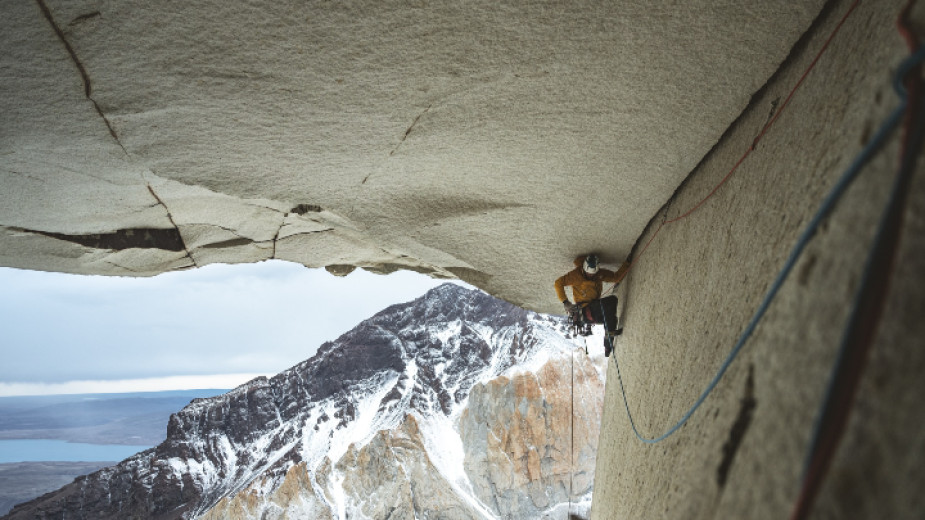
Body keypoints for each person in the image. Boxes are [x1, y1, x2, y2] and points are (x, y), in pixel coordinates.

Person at [554, 254, 629, 356]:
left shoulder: (599, 274)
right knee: (610, 302)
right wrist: (565, 302)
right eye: (588, 274)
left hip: (593, 309)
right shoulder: (576, 275)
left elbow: (616, 277)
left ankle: (608, 347)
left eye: (593, 274)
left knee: (611, 314)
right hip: (584, 309)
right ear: (584, 268)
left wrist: (628, 262)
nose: (590, 276)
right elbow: (558, 283)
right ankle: (609, 334)